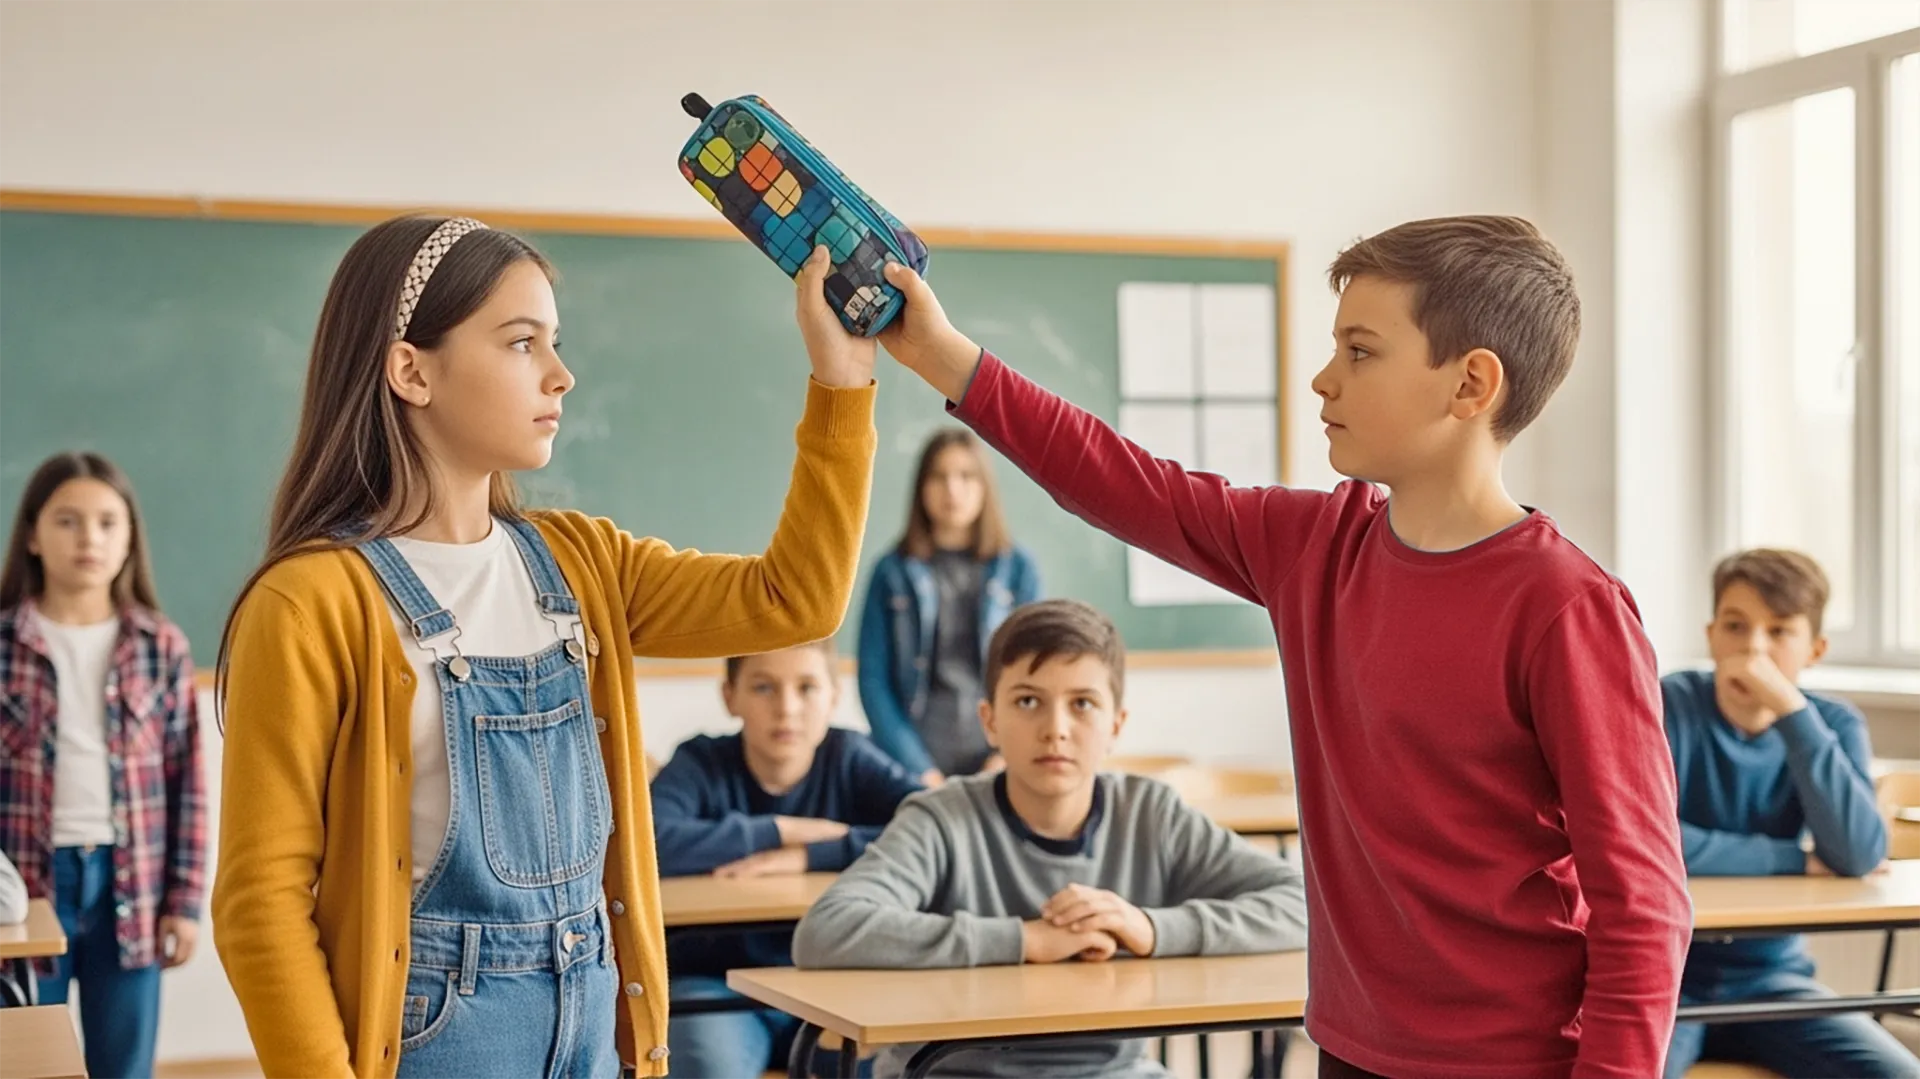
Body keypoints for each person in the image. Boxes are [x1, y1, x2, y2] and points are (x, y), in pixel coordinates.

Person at [864, 216, 1691, 1078]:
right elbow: (1118, 477)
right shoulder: (1314, 546)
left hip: (1510, 1063)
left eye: (1362, 352)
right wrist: (939, 354)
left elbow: (1643, 905)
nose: (1324, 379)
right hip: (1347, 1049)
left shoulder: (1567, 608)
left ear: (1472, 384)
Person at [211, 217, 878, 1079]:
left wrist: (843, 380)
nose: (561, 375)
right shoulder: (310, 601)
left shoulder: (581, 561)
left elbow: (799, 597)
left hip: (594, 1017)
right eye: (522, 343)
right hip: (433, 1035)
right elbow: (260, 902)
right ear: (411, 369)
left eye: (553, 342)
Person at [794, 598, 1309, 1079]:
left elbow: (1302, 906)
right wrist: (1025, 940)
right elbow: (826, 931)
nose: (1055, 728)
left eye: (1083, 704)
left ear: (1116, 724)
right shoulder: (942, 819)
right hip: (952, 1072)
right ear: (989, 721)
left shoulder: (1152, 813)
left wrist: (1151, 928)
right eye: (1028, 701)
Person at [1664, 548, 1916, 1079]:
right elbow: (1654, 842)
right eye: (1736, 626)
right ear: (1711, 635)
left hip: (1774, 983)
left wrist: (1792, 712)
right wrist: (1793, 860)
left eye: (1779, 632)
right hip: (1665, 977)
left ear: (1816, 648)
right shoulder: (1668, 705)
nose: (1753, 648)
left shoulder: (1831, 724)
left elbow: (1857, 854)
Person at [0, 451, 205, 1079]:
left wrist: (186, 901)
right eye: (67, 520)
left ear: (128, 540)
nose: (88, 537)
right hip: (26, 891)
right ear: (33, 534)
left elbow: (188, 783)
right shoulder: (6, 645)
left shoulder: (159, 645)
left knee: (124, 1066)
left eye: (107, 522)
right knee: (31, 1058)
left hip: (132, 884)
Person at [653, 639, 920, 1078]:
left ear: (834, 698)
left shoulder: (850, 756)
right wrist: (781, 829)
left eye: (807, 688)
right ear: (729, 697)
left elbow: (929, 830)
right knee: (705, 1065)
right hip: (717, 989)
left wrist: (811, 855)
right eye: (763, 688)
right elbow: (655, 841)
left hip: (833, 985)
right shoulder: (700, 761)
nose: (787, 708)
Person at [858, 429, 1040, 784]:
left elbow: (1037, 673)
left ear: (985, 486)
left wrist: (1004, 756)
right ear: (921, 488)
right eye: (939, 477)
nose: (952, 489)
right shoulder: (891, 573)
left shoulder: (1018, 569)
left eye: (966, 476)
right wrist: (919, 770)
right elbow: (873, 680)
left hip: (997, 759)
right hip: (915, 764)